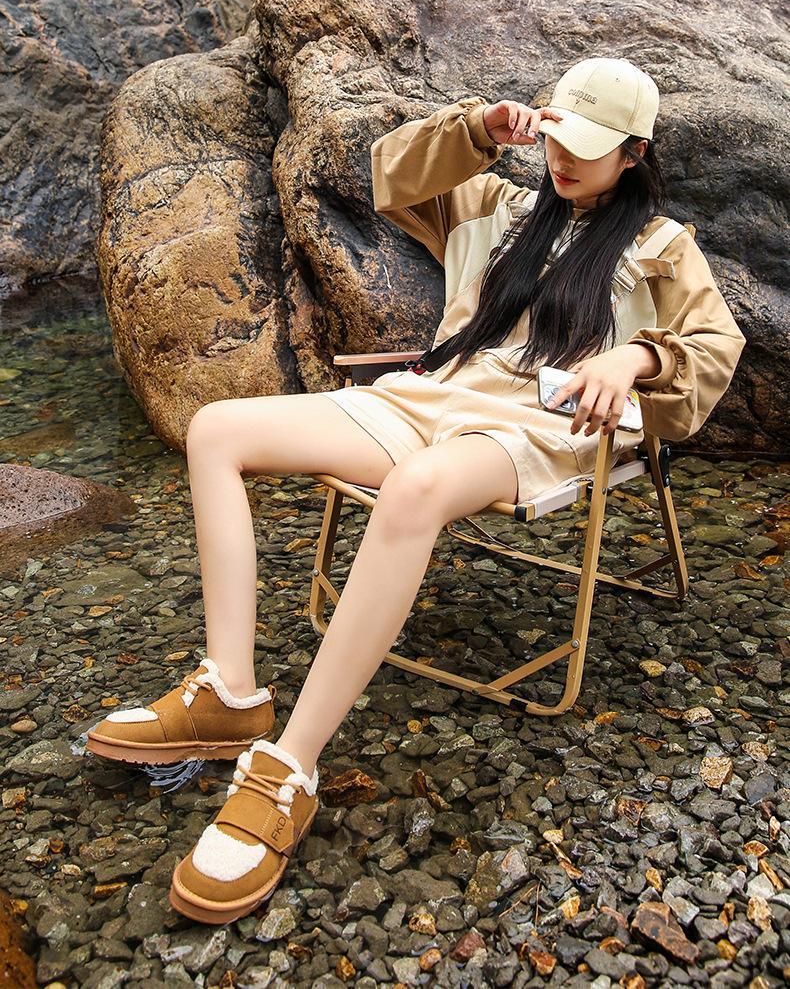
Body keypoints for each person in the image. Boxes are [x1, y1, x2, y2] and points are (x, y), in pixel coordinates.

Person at [85, 56, 747, 923]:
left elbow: (715, 346)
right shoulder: (498, 208)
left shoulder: (661, 248)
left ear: (634, 153)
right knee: (216, 429)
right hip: (430, 394)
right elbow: (391, 176)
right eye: (558, 136)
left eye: (589, 148)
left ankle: (289, 766)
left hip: (534, 428)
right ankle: (230, 692)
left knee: (415, 487)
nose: (563, 159)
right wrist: (477, 131)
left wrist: (637, 355)